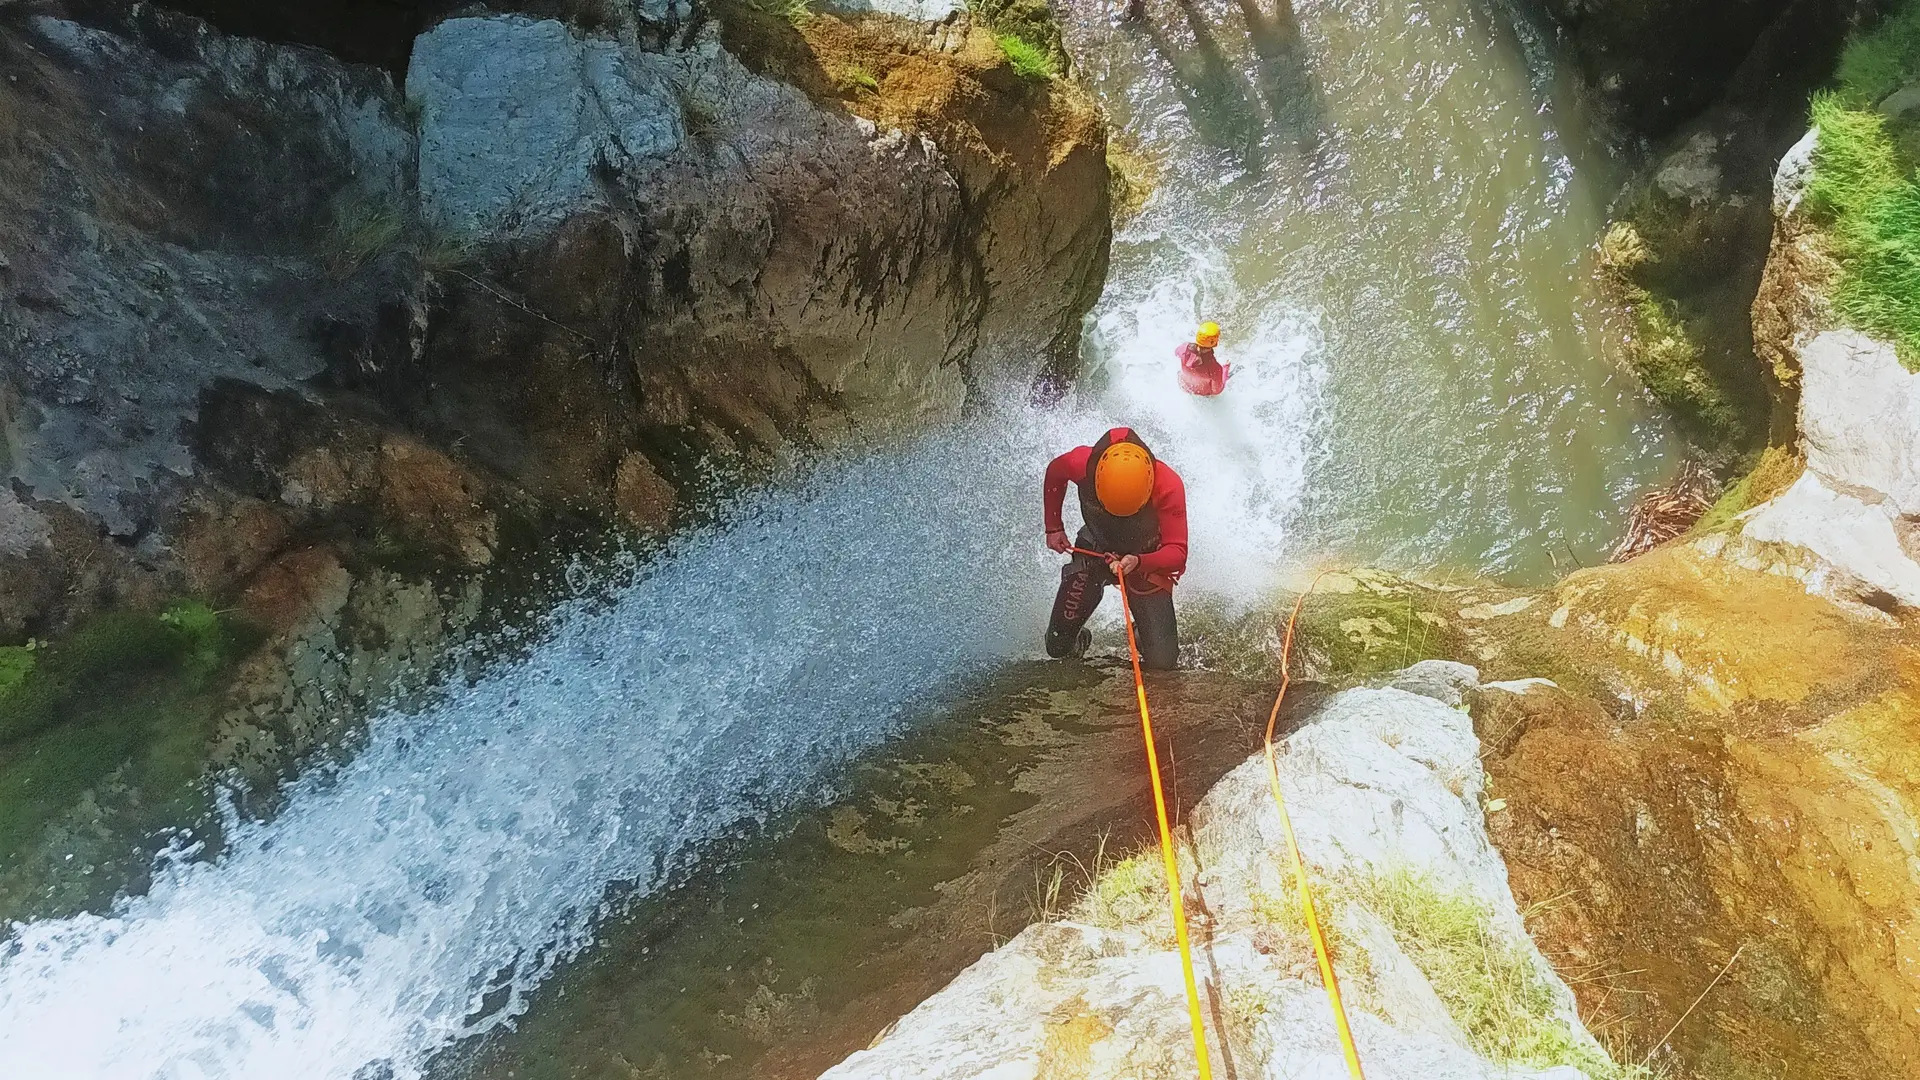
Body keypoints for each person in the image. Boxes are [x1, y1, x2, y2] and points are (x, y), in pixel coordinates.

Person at [1042, 427, 1188, 670]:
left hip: (1145, 561)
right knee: (1057, 646)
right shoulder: (1082, 463)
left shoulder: (1168, 485)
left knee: (1162, 663)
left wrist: (1139, 562)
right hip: (1096, 549)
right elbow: (1055, 471)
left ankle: (1144, 633)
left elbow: (1177, 554)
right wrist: (1053, 526)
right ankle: (1080, 639)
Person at [1176, 321, 1231, 396]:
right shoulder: (1214, 368)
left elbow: (1176, 353)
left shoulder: (1184, 348)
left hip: (1184, 386)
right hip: (1202, 395)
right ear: (1215, 342)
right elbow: (1217, 391)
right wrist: (1225, 369)